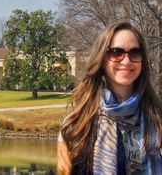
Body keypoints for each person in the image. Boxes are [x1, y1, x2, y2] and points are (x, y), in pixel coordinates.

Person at [57, 21, 162, 174]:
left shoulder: (158, 120)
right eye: (116, 52)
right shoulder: (75, 126)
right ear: (102, 59)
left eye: (134, 52)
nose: (126, 61)